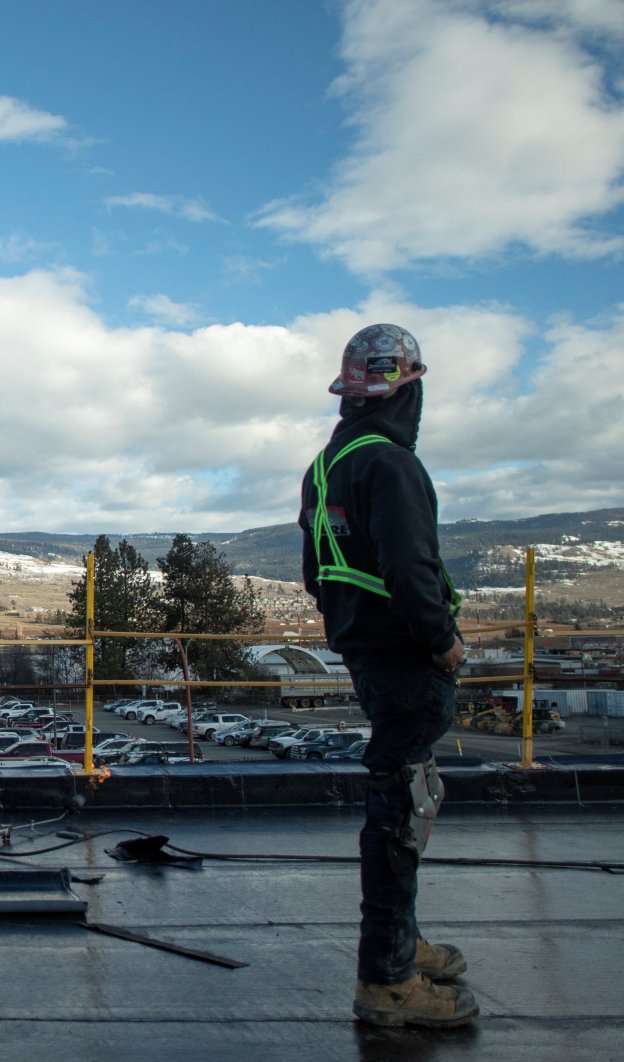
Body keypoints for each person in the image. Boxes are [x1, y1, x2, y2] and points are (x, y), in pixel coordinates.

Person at [299, 323, 477, 1028]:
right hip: (406, 656)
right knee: (401, 812)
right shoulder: (393, 466)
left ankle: (400, 943)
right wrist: (441, 641)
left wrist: (357, 630)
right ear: (408, 390)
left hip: (366, 650)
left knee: (405, 800)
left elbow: (318, 573)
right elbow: (410, 568)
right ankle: (388, 979)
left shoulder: (327, 464)